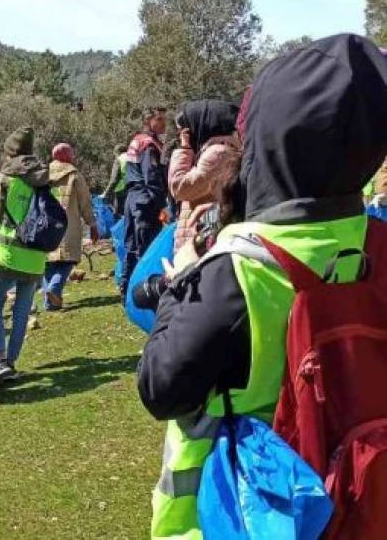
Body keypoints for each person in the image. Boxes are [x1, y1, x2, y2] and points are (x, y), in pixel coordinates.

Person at [137, 34, 387, 539]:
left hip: (241, 515)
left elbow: (161, 387)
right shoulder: (377, 245)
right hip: (359, 504)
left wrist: (182, 279)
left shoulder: (239, 269)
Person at [0, 128, 50, 380]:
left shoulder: (6, 177)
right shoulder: (43, 178)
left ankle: (1, 360)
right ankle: (11, 360)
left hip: (7, 252)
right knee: (22, 311)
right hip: (35, 256)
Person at [167, 100, 241, 254]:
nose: (181, 135)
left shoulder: (217, 153)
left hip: (203, 234)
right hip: (200, 231)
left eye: (184, 130)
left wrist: (184, 148)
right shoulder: (217, 149)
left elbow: (179, 187)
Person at [43, 143, 97, 311]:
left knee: (48, 261)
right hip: (68, 224)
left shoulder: (41, 175)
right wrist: (92, 224)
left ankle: (49, 302)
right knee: (68, 259)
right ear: (66, 156)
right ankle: (53, 289)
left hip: (45, 225)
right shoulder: (74, 175)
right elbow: (85, 202)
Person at [121, 107, 168, 294]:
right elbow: (152, 177)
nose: (164, 123)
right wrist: (163, 206)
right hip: (146, 202)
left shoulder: (137, 140)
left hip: (132, 199)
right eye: (160, 119)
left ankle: (126, 289)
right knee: (146, 248)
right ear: (149, 121)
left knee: (131, 246)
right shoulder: (149, 145)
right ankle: (142, 291)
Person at [102, 144, 129, 217]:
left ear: (117, 152)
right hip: (134, 190)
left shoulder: (119, 159)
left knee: (118, 215)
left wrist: (106, 193)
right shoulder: (133, 156)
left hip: (122, 190)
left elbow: (114, 179)